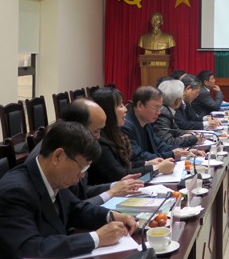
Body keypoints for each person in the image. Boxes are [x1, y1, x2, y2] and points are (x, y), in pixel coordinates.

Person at [0, 122, 136, 258]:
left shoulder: (54, 177)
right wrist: (96, 238)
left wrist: (110, 216)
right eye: (82, 168)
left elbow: (75, 209)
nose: (82, 175)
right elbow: (29, 249)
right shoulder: (15, 192)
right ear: (58, 156)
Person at [27, 99, 143, 205]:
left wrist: (114, 186)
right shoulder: (56, 156)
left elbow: (81, 192)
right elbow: (73, 208)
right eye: (96, 131)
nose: (99, 137)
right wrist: (110, 193)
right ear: (78, 127)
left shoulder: (74, 146)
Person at [88, 87, 175, 185]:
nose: (125, 109)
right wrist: (156, 168)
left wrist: (146, 163)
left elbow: (126, 164)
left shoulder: (114, 134)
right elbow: (119, 174)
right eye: (120, 105)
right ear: (107, 111)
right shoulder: (99, 140)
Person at [122, 85, 192, 161]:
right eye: (156, 107)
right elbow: (138, 157)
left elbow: (159, 145)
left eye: (160, 107)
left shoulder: (146, 122)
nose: (159, 112)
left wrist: (185, 151)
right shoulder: (125, 126)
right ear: (140, 105)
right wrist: (172, 154)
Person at [154, 79, 206, 147]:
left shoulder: (168, 111)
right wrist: (194, 139)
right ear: (178, 101)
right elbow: (169, 142)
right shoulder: (163, 114)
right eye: (182, 97)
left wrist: (189, 135)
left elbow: (175, 130)